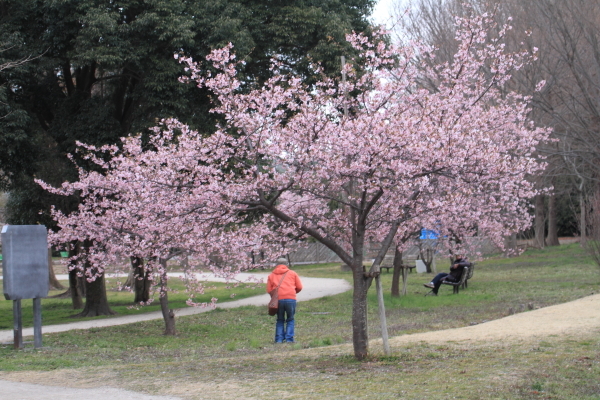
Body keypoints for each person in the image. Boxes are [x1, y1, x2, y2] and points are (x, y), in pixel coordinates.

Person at [266, 264, 303, 343]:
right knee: (290, 319)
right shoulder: (292, 273)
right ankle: (289, 339)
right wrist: (292, 292)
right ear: (286, 265)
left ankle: (279, 339)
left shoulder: (271, 275)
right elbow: (299, 287)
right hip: (291, 299)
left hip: (278, 300)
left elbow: (269, 290)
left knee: (280, 319)